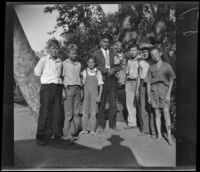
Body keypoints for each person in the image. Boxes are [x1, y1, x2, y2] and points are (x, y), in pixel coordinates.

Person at [34, 38, 64, 146]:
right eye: (53, 48)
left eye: (57, 48)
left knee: (57, 113)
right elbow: (37, 72)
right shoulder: (44, 60)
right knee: (45, 113)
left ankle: (57, 135)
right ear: (49, 49)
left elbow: (60, 76)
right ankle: (41, 137)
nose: (55, 50)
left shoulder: (60, 61)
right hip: (47, 88)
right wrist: (46, 79)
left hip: (57, 89)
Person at [146, 47, 176, 145]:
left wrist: (168, 94)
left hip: (164, 91)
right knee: (157, 115)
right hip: (154, 93)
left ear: (160, 53)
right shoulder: (151, 67)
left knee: (166, 115)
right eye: (152, 55)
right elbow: (148, 83)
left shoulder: (167, 66)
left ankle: (169, 137)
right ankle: (159, 135)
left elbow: (171, 79)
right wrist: (149, 96)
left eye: (156, 54)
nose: (155, 56)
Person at [94, 33, 121, 132]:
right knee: (101, 102)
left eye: (107, 42)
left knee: (113, 103)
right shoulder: (96, 53)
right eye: (104, 41)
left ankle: (113, 124)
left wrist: (113, 70)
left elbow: (119, 65)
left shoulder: (113, 52)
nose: (106, 43)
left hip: (112, 79)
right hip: (102, 79)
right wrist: (106, 70)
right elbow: (94, 66)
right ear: (100, 42)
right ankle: (101, 125)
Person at [62, 43, 83, 142]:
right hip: (68, 89)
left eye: (76, 53)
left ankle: (73, 132)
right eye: (72, 53)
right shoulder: (64, 63)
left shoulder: (79, 64)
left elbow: (80, 77)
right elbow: (61, 78)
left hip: (78, 89)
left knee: (76, 113)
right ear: (68, 53)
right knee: (69, 113)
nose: (74, 55)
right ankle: (67, 134)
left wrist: (81, 90)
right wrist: (63, 91)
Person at [79, 56, 104, 136]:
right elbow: (81, 85)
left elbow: (101, 85)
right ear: (87, 63)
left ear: (95, 63)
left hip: (94, 94)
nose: (91, 64)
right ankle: (84, 129)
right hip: (86, 94)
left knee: (93, 113)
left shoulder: (98, 72)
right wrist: (81, 93)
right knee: (85, 112)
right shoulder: (84, 72)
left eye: (92, 62)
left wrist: (99, 96)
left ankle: (92, 130)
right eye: (89, 62)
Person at [137, 43, 156, 137]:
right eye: (143, 52)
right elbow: (138, 76)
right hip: (142, 84)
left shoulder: (153, 62)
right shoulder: (140, 62)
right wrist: (137, 89)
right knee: (142, 106)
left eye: (146, 52)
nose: (145, 54)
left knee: (151, 106)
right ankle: (144, 129)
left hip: (152, 85)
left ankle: (153, 130)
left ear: (149, 52)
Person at [124, 44, 141, 129]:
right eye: (131, 50)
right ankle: (132, 123)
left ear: (137, 51)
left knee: (139, 103)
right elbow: (127, 73)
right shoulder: (129, 61)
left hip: (138, 83)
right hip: (129, 83)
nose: (132, 52)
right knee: (130, 103)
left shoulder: (140, 60)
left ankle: (142, 124)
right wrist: (126, 83)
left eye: (134, 50)